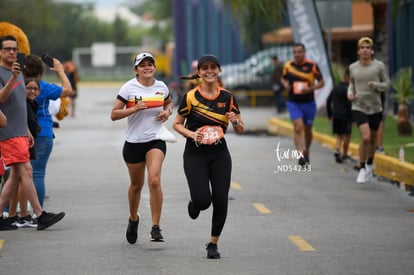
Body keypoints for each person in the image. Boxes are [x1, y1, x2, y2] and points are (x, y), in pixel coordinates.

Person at [172, 54, 244, 259]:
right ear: (199, 73)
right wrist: (192, 134)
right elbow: (176, 124)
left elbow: (240, 129)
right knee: (203, 201)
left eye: (214, 67)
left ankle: (213, 243)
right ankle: (194, 204)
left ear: (219, 71)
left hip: (220, 153)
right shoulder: (191, 97)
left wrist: (236, 121)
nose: (210, 71)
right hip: (195, 154)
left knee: (221, 199)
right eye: (206, 68)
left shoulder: (227, 97)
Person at [0, 35, 65, 230]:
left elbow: (20, 105)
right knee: (26, 171)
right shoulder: (6, 73)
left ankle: (6, 216)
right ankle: (40, 214)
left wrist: (27, 129)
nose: (12, 52)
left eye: (14, 49)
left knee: (16, 177)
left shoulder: (17, 72)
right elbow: (2, 99)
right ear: (0, 52)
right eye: (8, 49)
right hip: (8, 132)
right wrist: (11, 77)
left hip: (20, 131)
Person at [110, 52, 173, 244]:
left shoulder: (161, 86)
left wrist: (167, 112)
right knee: (136, 186)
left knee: (154, 180)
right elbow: (114, 114)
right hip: (133, 143)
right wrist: (134, 109)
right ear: (136, 69)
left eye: (150, 64)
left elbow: (169, 103)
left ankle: (155, 227)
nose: (147, 67)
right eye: (142, 65)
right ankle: (133, 218)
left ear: (154, 67)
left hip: (155, 139)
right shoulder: (129, 87)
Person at [22, 54, 72, 207]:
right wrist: (60, 70)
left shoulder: (18, 86)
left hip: (21, 132)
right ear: (41, 71)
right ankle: (38, 212)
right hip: (43, 132)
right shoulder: (43, 87)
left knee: (18, 174)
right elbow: (68, 90)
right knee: (37, 174)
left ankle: (10, 210)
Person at [347, 37, 390, 184]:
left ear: (371, 51)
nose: (365, 50)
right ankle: (362, 168)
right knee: (365, 137)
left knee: (372, 139)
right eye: (362, 48)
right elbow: (351, 85)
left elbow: (387, 84)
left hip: (375, 107)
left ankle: (370, 162)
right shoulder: (353, 67)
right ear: (358, 51)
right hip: (359, 106)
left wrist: (376, 85)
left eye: (367, 47)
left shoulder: (379, 66)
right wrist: (350, 93)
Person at [281, 43, 325, 166]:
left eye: (300, 52)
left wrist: (311, 89)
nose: (297, 54)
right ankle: (300, 155)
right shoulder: (288, 66)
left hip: (309, 102)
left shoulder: (312, 66)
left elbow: (322, 82)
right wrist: (285, 84)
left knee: (308, 129)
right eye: (295, 52)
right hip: (293, 102)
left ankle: (307, 151)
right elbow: (283, 78)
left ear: (304, 53)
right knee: (298, 127)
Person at [7, 77, 41, 228]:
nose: (32, 91)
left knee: (17, 177)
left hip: (25, 140)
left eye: (35, 89)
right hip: (20, 141)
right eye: (29, 88)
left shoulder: (31, 104)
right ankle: (24, 215)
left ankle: (14, 214)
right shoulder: (23, 104)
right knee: (22, 177)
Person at [327, 68, 352, 163]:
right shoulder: (348, 89)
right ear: (347, 77)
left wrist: (330, 114)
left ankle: (337, 149)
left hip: (336, 115)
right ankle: (345, 154)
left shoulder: (336, 88)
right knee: (347, 135)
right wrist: (352, 118)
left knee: (339, 135)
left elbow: (328, 101)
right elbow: (349, 105)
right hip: (345, 116)